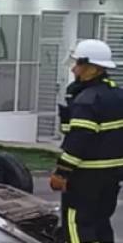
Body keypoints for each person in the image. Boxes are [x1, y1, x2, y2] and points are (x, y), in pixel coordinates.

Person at [51, 39, 123, 243]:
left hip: (85, 175)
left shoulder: (87, 100)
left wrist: (62, 172)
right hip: (113, 174)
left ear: (92, 68)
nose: (74, 70)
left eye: (78, 65)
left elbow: (78, 139)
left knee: (77, 224)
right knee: (101, 222)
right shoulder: (117, 96)